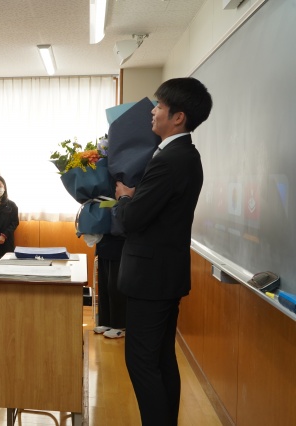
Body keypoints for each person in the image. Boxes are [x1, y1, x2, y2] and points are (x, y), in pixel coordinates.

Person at [114, 77, 212, 426]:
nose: (152, 112)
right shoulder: (185, 155)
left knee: (141, 362)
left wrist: (124, 198)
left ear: (178, 117)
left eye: (159, 106)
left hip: (150, 279)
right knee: (161, 360)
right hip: (165, 275)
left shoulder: (170, 159)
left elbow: (133, 219)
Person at [93, 235, 127, 339]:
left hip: (119, 243)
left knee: (114, 287)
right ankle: (106, 322)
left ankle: (120, 326)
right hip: (104, 242)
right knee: (104, 286)